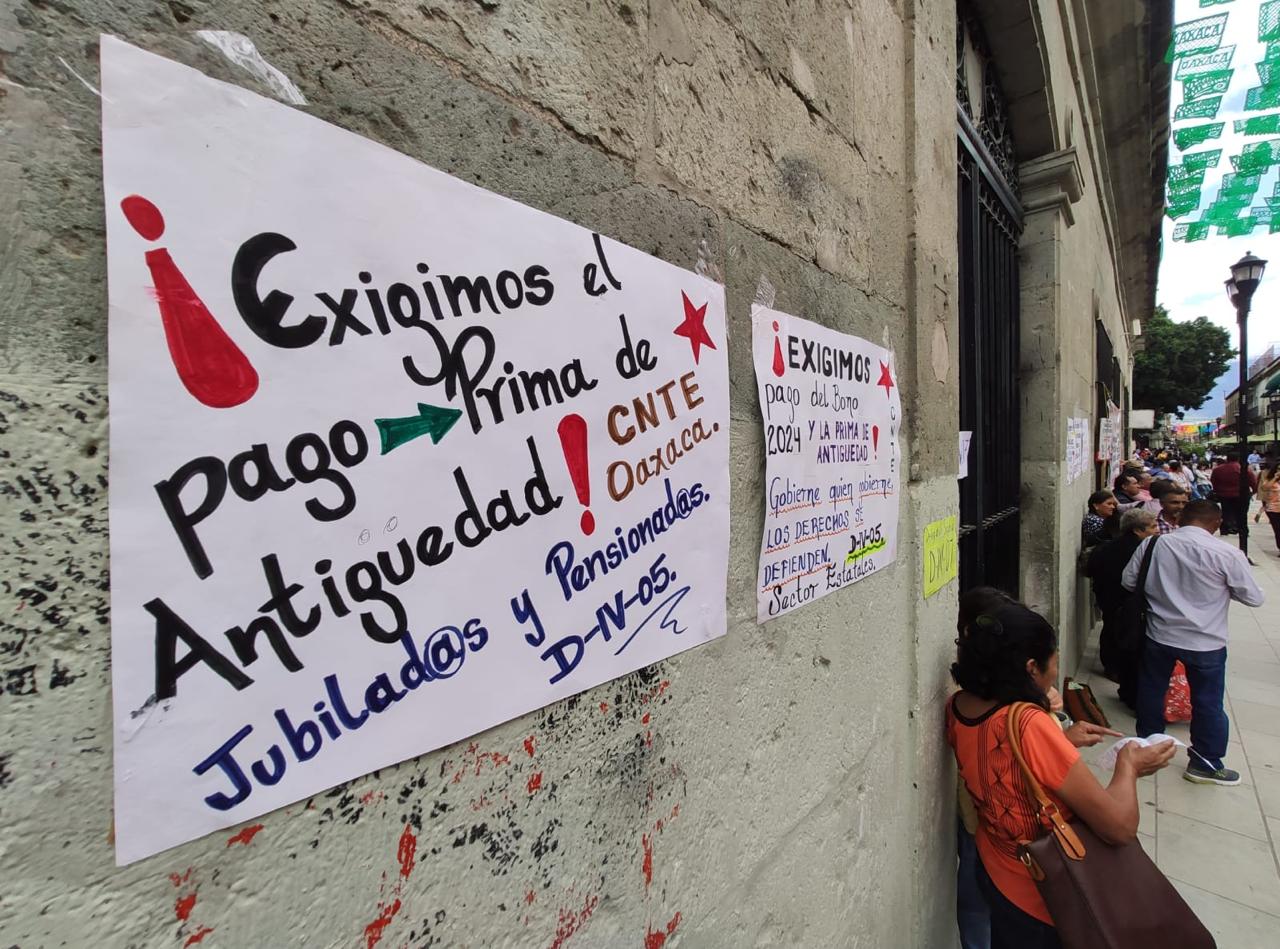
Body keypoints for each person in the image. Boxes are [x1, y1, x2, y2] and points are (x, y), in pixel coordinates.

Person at [946, 602, 1171, 947]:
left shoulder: (958, 706)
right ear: (1031, 667)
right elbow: (1119, 827)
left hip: (994, 865)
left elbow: (1004, 764)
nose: (1056, 671)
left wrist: (1061, 740)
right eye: (1054, 661)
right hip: (1040, 891)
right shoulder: (1029, 723)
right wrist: (1129, 766)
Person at [1123, 500, 1265, 785]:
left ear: (1180, 519)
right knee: (1208, 702)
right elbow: (1254, 597)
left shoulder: (1154, 545)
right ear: (1216, 523)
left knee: (1151, 691)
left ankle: (1149, 747)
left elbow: (1129, 581)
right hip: (1205, 641)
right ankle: (1205, 762)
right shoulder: (1226, 553)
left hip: (1159, 634)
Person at [1087, 507, 1159, 706]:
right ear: (1137, 530)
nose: (1157, 530)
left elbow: (1091, 568)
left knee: (1110, 630)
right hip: (1125, 601)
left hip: (1107, 597)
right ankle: (1118, 672)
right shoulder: (1142, 550)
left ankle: (1112, 667)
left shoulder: (1108, 546)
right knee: (1124, 638)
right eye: (1152, 526)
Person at [1209, 451, 1256, 535]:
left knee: (1225, 512)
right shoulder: (1244, 469)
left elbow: (1213, 481)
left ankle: (1224, 529)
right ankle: (1243, 530)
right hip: (1242, 494)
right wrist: (1253, 491)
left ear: (1227, 458)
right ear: (1238, 459)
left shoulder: (1218, 469)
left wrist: (1217, 490)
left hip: (1224, 494)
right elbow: (1253, 482)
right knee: (1242, 514)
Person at [1254, 459, 1280, 553]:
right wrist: (1275, 478)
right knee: (1278, 529)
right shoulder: (1271, 480)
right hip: (1273, 508)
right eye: (1278, 469)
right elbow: (1265, 487)